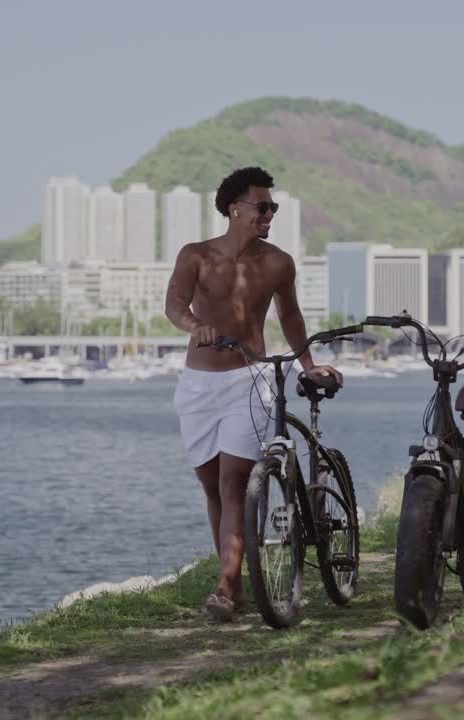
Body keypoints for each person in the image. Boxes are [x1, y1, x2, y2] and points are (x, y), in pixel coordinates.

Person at [164, 166, 342, 621]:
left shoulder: (278, 263)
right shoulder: (196, 256)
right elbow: (174, 306)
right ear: (234, 209)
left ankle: (226, 584)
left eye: (272, 208)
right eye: (261, 207)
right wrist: (193, 326)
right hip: (199, 384)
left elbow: (291, 318)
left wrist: (309, 363)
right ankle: (235, 579)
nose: (268, 215)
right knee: (211, 487)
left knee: (234, 484)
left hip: (249, 380)